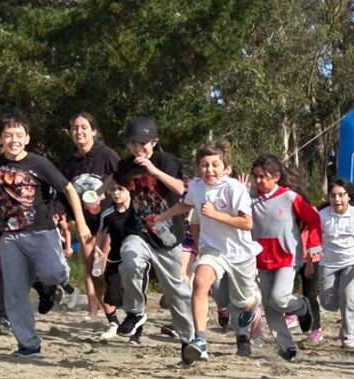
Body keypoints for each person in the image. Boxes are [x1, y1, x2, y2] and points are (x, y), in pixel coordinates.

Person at [0, 112, 90, 356]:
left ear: (27, 139)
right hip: (8, 236)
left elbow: (68, 188)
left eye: (19, 135)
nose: (13, 140)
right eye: (8, 135)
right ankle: (28, 344)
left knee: (54, 272)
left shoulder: (39, 163)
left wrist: (80, 223)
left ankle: (52, 286)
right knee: (15, 292)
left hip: (41, 232)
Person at [154, 140, 262, 362]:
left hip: (239, 253)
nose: (210, 170)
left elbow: (247, 223)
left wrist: (215, 215)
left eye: (215, 165)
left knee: (244, 302)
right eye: (205, 165)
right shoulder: (196, 186)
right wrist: (161, 217)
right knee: (200, 282)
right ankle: (200, 339)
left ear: (225, 167)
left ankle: (251, 307)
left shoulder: (235, 188)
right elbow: (187, 204)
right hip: (212, 248)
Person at [104, 118, 195, 350]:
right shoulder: (126, 165)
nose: (138, 149)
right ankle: (135, 312)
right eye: (134, 143)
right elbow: (113, 180)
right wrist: (94, 197)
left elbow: (181, 189)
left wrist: (152, 169)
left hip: (168, 237)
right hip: (140, 231)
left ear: (154, 142)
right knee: (129, 257)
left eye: (143, 144)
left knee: (177, 293)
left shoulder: (165, 160)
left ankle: (189, 340)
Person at [250, 154, 321, 361]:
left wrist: (314, 244)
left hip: (287, 255)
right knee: (270, 305)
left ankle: (301, 306)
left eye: (263, 177)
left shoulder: (289, 197)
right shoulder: (250, 196)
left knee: (279, 298)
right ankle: (287, 347)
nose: (259, 181)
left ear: (276, 177)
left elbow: (313, 219)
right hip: (261, 256)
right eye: (256, 177)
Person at [62, 112, 120, 322]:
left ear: (93, 131)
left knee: (101, 266)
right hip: (84, 221)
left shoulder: (107, 155)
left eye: (84, 127)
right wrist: (68, 216)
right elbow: (65, 192)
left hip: (108, 219)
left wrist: (109, 196)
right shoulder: (70, 161)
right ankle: (94, 313)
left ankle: (113, 311)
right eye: (75, 128)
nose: (79, 132)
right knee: (89, 267)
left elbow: (122, 176)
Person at [318, 179, 354, 348]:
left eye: (341, 195)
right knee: (327, 303)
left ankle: (348, 335)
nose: (337, 200)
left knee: (349, 299)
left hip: (352, 263)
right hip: (327, 263)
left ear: (348, 196)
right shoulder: (322, 216)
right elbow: (313, 239)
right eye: (333, 196)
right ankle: (345, 314)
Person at [94, 182, 134, 340]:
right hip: (115, 258)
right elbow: (101, 232)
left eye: (121, 189)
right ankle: (113, 323)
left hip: (137, 258)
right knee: (111, 290)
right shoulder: (108, 214)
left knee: (134, 292)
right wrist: (98, 249)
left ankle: (135, 331)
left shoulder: (138, 211)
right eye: (113, 190)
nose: (116, 193)